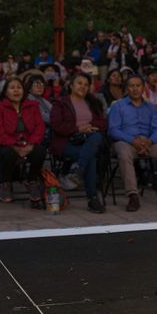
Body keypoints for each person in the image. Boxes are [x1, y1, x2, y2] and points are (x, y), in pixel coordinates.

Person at [108, 74, 157, 211]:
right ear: (127, 89)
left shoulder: (150, 107)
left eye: (138, 86)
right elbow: (114, 130)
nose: (135, 89)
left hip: (148, 143)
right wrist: (133, 141)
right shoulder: (118, 106)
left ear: (143, 88)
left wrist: (149, 141)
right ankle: (133, 196)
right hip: (126, 142)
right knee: (124, 153)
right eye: (131, 86)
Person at [49, 73, 107, 214]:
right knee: (90, 157)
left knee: (96, 137)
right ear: (71, 85)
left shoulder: (93, 102)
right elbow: (56, 125)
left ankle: (78, 170)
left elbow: (103, 123)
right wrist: (78, 128)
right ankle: (92, 198)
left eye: (86, 84)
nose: (83, 87)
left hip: (89, 139)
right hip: (67, 141)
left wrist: (89, 126)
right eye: (79, 83)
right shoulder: (61, 103)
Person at [0, 77, 47, 207]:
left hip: (28, 143)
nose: (16, 90)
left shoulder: (33, 105)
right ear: (5, 92)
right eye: (12, 88)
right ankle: (5, 182)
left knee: (40, 151)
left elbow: (40, 127)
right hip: (6, 144)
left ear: (24, 90)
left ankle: (32, 180)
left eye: (19, 87)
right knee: (9, 153)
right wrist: (15, 147)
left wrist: (31, 144)